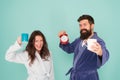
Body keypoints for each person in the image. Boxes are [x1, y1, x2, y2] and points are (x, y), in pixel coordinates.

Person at [58, 14, 109, 80]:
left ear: (92, 26)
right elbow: (69, 49)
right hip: (75, 76)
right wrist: (63, 38)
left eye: (85, 25)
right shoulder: (79, 40)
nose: (82, 27)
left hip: (89, 77)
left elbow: (105, 53)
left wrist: (100, 52)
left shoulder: (98, 41)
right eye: (80, 25)